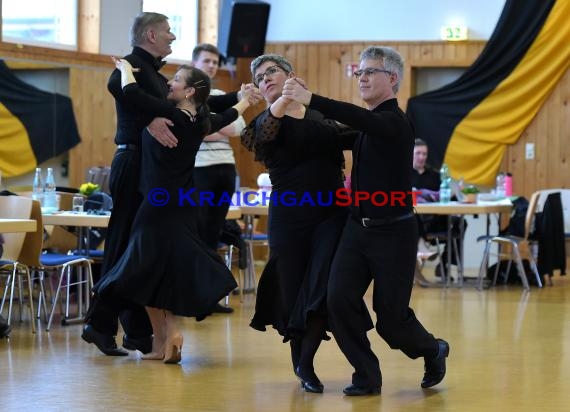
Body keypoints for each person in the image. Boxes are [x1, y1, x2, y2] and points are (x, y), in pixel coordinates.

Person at [283, 46, 449, 396]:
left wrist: (311, 98)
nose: (362, 78)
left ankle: (433, 350)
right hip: (357, 231)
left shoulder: (395, 123)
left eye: (369, 72)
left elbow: (359, 119)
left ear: (392, 78)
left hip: (395, 233)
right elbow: (333, 132)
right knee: (338, 301)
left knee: (392, 322)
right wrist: (290, 112)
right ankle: (367, 376)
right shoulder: (366, 127)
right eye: (358, 72)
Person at [82, 12, 244, 357]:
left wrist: (237, 98)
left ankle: (139, 332)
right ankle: (104, 324)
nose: (173, 37)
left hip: (153, 168)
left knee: (141, 247)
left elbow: (198, 103)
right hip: (135, 161)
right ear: (152, 34)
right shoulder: (132, 64)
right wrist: (150, 118)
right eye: (169, 32)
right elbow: (117, 86)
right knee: (127, 242)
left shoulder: (155, 73)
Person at [243, 54, 354, 393]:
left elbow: (359, 132)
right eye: (260, 77)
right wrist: (282, 101)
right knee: (292, 289)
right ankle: (300, 361)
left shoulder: (321, 114)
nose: (266, 79)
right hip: (289, 217)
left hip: (331, 213)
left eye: (271, 71)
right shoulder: (264, 121)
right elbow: (263, 135)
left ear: (291, 74)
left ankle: (306, 362)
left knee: (320, 285)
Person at [191, 43, 247, 314]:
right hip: (199, 168)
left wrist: (212, 126)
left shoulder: (220, 94)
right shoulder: (189, 95)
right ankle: (195, 295)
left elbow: (238, 126)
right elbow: (194, 130)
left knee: (214, 232)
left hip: (225, 167)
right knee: (199, 231)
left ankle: (209, 296)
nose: (212, 66)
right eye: (207, 61)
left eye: (215, 62)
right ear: (194, 63)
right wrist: (214, 126)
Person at [412, 138, 464, 280]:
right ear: (411, 154)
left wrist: (457, 195)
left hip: (435, 219)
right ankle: (421, 248)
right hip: (414, 223)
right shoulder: (404, 175)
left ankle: (444, 264)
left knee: (461, 223)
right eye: (418, 153)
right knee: (412, 214)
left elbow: (445, 197)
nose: (422, 157)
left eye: (424, 154)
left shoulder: (435, 176)